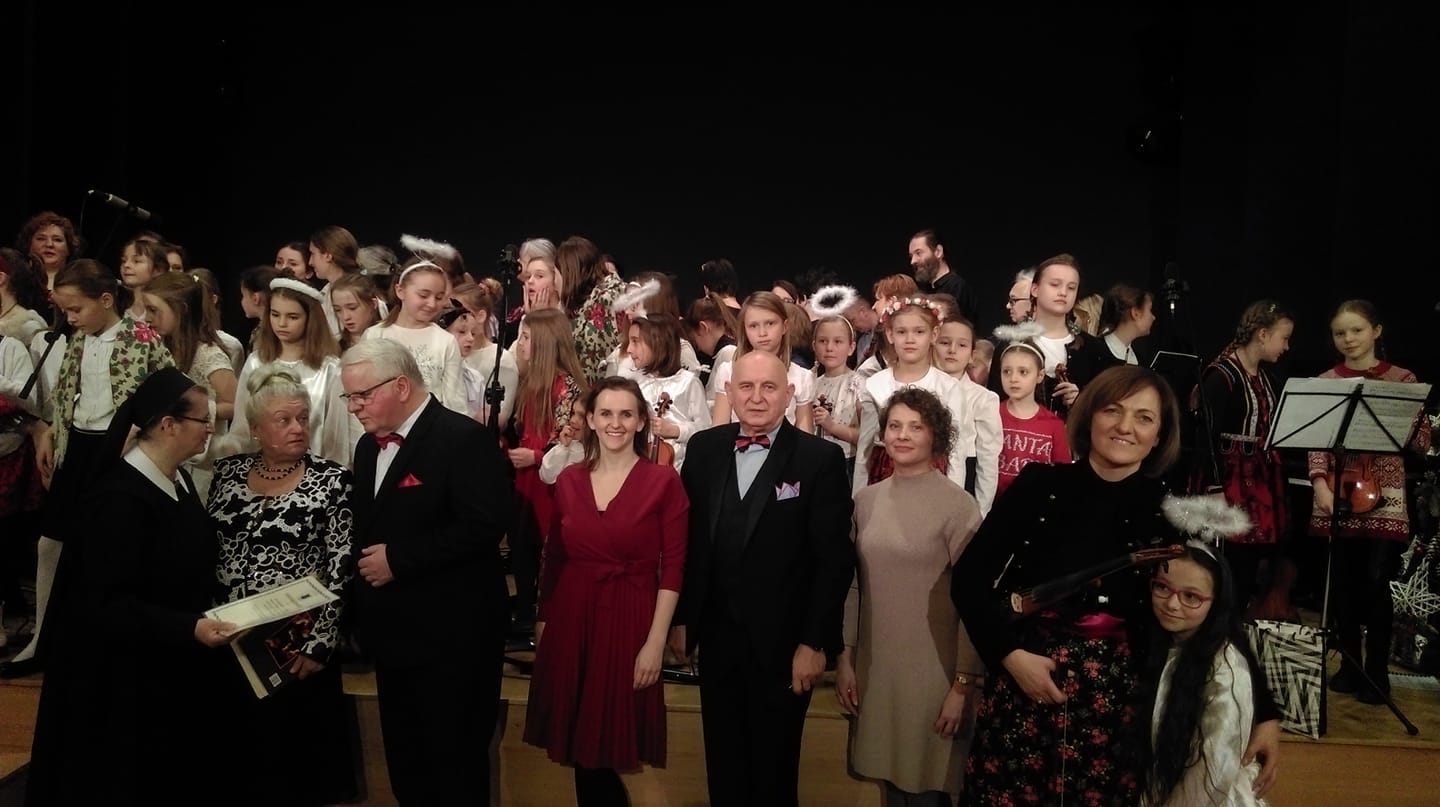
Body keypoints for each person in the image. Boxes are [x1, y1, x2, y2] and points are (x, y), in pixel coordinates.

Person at [951, 365, 1282, 805]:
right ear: (1090, 415)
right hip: (1025, 685)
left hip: (1124, 705)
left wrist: (1265, 713)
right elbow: (969, 580)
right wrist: (1009, 657)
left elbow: (1216, 612)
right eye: (1113, 410)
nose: (1125, 427)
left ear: (1160, 435)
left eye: (1144, 418)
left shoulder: (1174, 509)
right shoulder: (1039, 485)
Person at [26, 368, 236, 805]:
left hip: (164, 662)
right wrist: (187, 628)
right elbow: (103, 604)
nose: (210, 428)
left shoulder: (176, 477)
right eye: (203, 419)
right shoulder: (119, 500)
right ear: (169, 425)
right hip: (120, 681)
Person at [669, 350, 856, 806]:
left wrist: (814, 643)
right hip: (716, 641)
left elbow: (833, 563)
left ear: (789, 394)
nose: (756, 397)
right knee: (724, 771)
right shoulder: (704, 449)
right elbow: (690, 545)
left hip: (786, 648)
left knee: (774, 777)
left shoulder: (820, 459)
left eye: (768, 387)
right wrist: (683, 619)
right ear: (729, 392)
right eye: (746, 387)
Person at [342, 338, 513, 804]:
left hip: (454, 640)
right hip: (394, 638)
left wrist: (400, 560)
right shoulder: (366, 447)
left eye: (362, 395)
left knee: (455, 770)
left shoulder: (463, 439)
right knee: (407, 769)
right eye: (349, 397)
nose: (354, 407)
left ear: (401, 386)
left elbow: (485, 525)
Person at [525, 377, 689, 805]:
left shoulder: (663, 482)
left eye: (626, 414)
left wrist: (656, 642)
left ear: (641, 422)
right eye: (606, 414)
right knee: (580, 746)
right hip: (572, 617)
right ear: (592, 421)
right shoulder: (569, 480)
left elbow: (673, 568)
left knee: (608, 744)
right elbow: (554, 558)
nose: (616, 423)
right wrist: (544, 620)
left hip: (631, 618)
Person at [208, 368, 358, 805]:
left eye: (302, 418)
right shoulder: (227, 473)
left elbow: (341, 567)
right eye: (283, 420)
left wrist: (319, 644)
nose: (297, 428)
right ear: (255, 428)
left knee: (294, 770)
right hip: (231, 641)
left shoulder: (331, 480)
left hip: (294, 646)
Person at [836, 387, 983, 806]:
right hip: (876, 668)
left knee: (925, 790)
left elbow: (974, 603)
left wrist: (963, 685)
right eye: (895, 426)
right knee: (890, 788)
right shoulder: (866, 501)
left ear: (936, 435)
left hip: (936, 673)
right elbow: (853, 587)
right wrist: (845, 659)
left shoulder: (959, 506)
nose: (902, 435)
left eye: (915, 427)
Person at [1307, 299, 1429, 703]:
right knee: (1341, 584)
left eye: (1356, 330)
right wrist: (1320, 485)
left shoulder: (1402, 379)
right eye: (1340, 333)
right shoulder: (1326, 381)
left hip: (1385, 493)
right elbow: (1316, 441)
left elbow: (1421, 442)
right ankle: (1349, 665)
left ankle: (1377, 672)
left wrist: (1408, 414)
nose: (1348, 339)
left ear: (1376, 331)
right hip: (1337, 489)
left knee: (1376, 583)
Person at [1140, 542, 1268, 806]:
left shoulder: (1225, 669)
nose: (1172, 604)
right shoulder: (1167, 645)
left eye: (1191, 596)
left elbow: (1213, 772)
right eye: (1162, 587)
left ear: (1217, 603)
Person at [1192, 301, 1295, 616]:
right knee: (1227, 565)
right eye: (1283, 338)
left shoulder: (1267, 379)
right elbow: (1204, 437)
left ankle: (1237, 627)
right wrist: (1214, 486)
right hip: (1228, 481)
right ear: (1262, 334)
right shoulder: (1221, 376)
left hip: (1259, 483)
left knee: (1249, 568)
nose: (1286, 347)